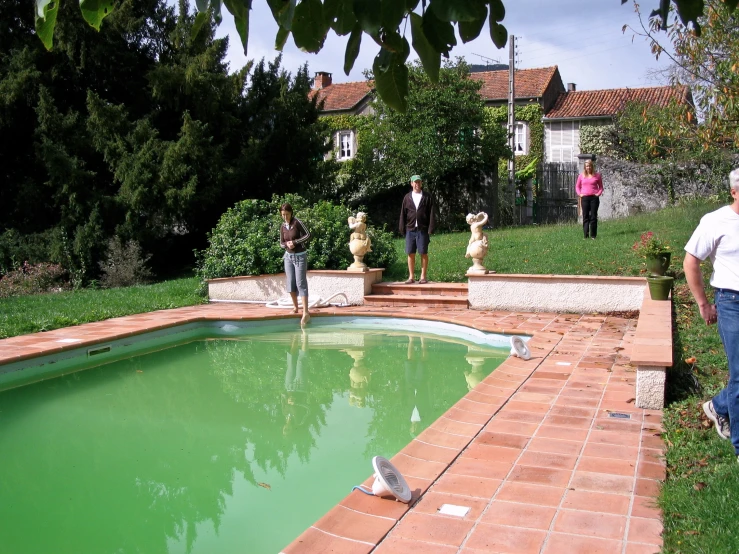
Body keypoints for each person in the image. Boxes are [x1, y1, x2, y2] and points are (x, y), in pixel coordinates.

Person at [684, 167, 739, 465]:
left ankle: (718, 406)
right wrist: (704, 304)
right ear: (733, 192)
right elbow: (690, 262)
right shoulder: (716, 221)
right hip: (731, 301)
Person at [399, 175, 436, 284]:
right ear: (411, 184)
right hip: (410, 229)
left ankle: (423, 277)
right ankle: (411, 277)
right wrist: (402, 228)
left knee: (423, 252)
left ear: (421, 183)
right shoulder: (407, 197)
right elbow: (403, 214)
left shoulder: (427, 197)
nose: (417, 184)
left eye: (419, 182)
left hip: (422, 229)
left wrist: (431, 228)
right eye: (415, 182)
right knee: (410, 253)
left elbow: (432, 213)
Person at [279, 203, 311, 326]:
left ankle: (306, 312)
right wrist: (287, 245)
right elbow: (281, 243)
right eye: (283, 215)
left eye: (287, 214)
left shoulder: (297, 222)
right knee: (290, 282)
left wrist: (295, 242)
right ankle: (295, 307)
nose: (285, 217)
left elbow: (308, 235)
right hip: (288, 257)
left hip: (300, 256)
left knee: (300, 282)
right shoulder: (282, 226)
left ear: (291, 213)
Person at [575, 159, 604, 240]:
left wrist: (598, 194)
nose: (588, 167)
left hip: (594, 198)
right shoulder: (581, 176)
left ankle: (593, 236)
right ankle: (585, 235)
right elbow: (577, 186)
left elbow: (601, 187)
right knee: (585, 216)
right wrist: (580, 194)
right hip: (585, 198)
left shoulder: (597, 175)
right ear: (585, 167)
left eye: (590, 166)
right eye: (587, 166)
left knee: (593, 217)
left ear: (592, 166)